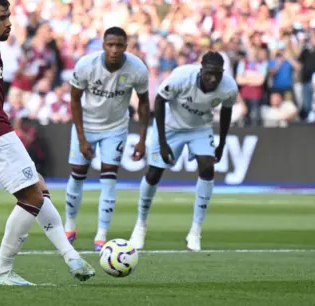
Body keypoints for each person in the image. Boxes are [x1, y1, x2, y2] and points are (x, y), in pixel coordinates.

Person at [0, 0, 95, 286]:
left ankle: (72, 258)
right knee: (32, 196)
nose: (8, 23)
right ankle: (2, 271)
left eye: (9, 16)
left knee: (38, 187)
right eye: (1, 18)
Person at [129, 52, 237, 252]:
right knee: (153, 174)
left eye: (218, 74)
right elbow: (159, 101)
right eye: (209, 73)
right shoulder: (181, 77)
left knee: (207, 166)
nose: (213, 79)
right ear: (201, 69)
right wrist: (162, 141)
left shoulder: (229, 88)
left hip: (200, 128)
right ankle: (140, 225)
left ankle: (195, 231)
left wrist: (221, 143)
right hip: (171, 127)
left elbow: (226, 111)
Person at [64, 27, 150, 252]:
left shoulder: (137, 68)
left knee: (109, 177)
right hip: (87, 126)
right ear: (103, 45)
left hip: (116, 128)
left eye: (119, 45)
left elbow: (144, 103)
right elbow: (74, 100)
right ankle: (70, 225)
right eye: (110, 45)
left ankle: (101, 235)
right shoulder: (86, 65)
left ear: (126, 46)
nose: (114, 50)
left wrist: (142, 139)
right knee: (78, 174)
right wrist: (82, 138)